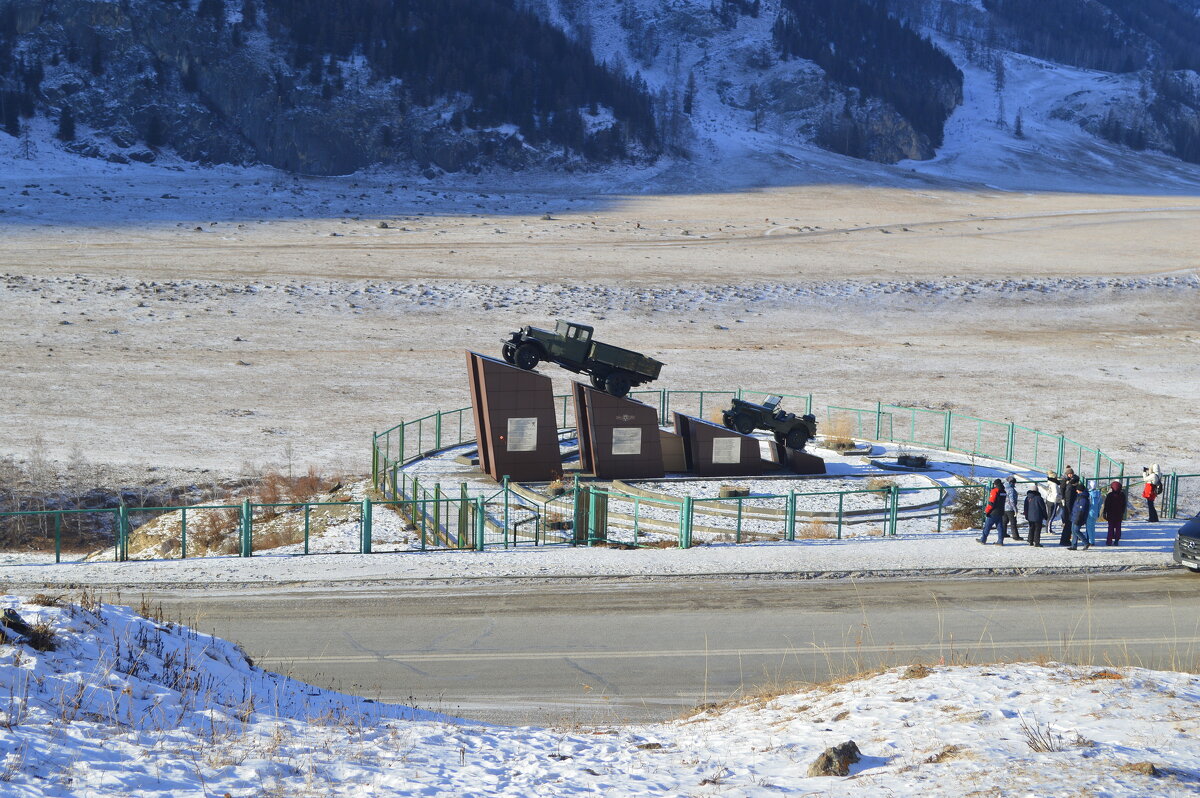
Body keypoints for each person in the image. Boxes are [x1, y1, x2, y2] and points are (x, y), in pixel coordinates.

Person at [978, 478, 1006, 545]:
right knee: (1000, 527)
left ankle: (983, 539)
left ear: (995, 484)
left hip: (993, 512)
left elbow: (991, 502)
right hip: (1001, 511)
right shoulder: (1004, 492)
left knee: (987, 526)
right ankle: (1000, 541)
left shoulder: (994, 491)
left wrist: (987, 510)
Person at [1102, 480, 1127, 546]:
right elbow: (1124, 504)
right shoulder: (1122, 495)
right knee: (1118, 527)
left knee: (1110, 528)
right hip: (1119, 514)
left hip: (1110, 514)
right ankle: (1116, 540)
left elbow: (1106, 505)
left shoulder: (1110, 495)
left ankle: (1109, 541)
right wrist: (1122, 512)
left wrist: (1105, 512)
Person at [1039, 471, 1062, 537]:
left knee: (1050, 515)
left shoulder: (1050, 483)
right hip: (1053, 501)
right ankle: (1048, 530)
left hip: (1049, 500)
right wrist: (1060, 498)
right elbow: (1055, 494)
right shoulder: (1054, 484)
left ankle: (1048, 529)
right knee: (1052, 515)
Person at [1060, 474, 1080, 546]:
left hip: (1068, 509)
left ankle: (1065, 539)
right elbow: (1068, 501)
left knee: (1068, 526)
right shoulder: (1070, 489)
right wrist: (1070, 511)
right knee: (1068, 526)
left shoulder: (1070, 487)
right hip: (1069, 510)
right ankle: (1064, 540)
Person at [1068, 486, 1091, 550]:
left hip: (1079, 517)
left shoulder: (1083, 498)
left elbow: (1081, 510)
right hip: (1075, 516)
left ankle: (1086, 542)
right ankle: (1074, 545)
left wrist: (1078, 518)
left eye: (1077, 490)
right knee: (1073, 531)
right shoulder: (1079, 497)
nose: (1076, 491)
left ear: (1080, 490)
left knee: (1076, 530)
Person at [1003, 476, 1022, 541]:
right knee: (1013, 522)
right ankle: (1015, 536)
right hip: (1010, 508)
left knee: (1004, 521)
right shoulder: (1011, 490)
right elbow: (1012, 500)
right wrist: (1015, 509)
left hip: (1004, 507)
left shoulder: (1004, 488)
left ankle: (1003, 533)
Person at [1085, 480, 1102, 546]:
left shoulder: (1089, 494)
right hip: (1096, 512)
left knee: (1089, 527)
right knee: (1092, 527)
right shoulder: (1098, 494)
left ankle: (1090, 541)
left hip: (1089, 512)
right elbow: (1100, 504)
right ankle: (1091, 539)